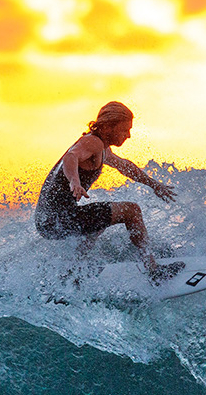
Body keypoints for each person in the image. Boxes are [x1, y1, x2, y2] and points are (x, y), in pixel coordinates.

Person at [35, 101, 184, 282]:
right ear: (107, 126)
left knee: (102, 219)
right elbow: (71, 156)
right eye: (124, 130)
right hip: (57, 219)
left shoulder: (102, 148)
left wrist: (154, 185)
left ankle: (72, 275)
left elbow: (125, 167)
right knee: (132, 211)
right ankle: (153, 270)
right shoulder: (92, 142)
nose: (128, 135)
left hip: (49, 221)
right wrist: (74, 181)